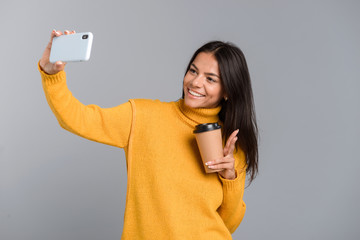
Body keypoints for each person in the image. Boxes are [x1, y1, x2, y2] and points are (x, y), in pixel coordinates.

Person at [38, 30, 259, 240]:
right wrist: (51, 74)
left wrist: (230, 178)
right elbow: (77, 118)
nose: (195, 82)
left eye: (210, 79)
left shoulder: (230, 143)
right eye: (193, 71)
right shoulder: (142, 116)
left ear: (228, 90)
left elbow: (227, 224)